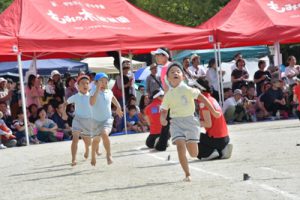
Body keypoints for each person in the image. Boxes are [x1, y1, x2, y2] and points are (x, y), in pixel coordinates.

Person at [160, 62, 220, 182]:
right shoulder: (168, 95)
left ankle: (189, 141)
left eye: (178, 71)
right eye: (172, 72)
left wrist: (213, 111)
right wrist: (163, 119)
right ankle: (187, 174)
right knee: (180, 147)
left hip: (190, 121)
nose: (175, 73)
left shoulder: (187, 89)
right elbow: (164, 110)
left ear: (183, 76)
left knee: (193, 153)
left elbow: (202, 97)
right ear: (168, 79)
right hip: (176, 123)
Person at [90, 72, 123, 166]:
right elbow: (92, 103)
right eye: (101, 82)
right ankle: (93, 155)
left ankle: (109, 155)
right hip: (95, 121)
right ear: (96, 83)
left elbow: (113, 98)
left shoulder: (109, 91)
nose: (104, 84)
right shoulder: (92, 91)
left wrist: (119, 107)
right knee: (96, 140)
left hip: (107, 119)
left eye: (106, 82)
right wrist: (97, 89)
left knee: (104, 134)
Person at [196, 79, 233, 161]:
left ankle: (210, 153)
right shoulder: (212, 99)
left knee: (193, 138)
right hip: (225, 137)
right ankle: (222, 150)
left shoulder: (203, 102)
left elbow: (208, 123)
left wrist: (193, 122)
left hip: (216, 139)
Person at [67, 75, 94, 166]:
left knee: (88, 142)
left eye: (87, 83)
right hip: (77, 119)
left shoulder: (91, 96)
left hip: (88, 121)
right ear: (77, 86)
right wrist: (63, 113)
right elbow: (65, 103)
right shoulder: (75, 96)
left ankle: (87, 148)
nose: (85, 85)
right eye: (83, 83)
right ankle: (73, 159)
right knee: (75, 139)